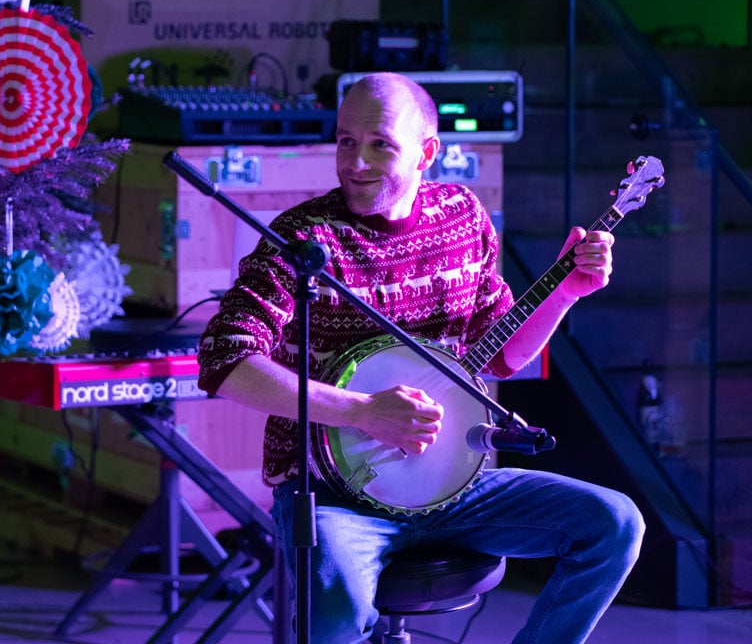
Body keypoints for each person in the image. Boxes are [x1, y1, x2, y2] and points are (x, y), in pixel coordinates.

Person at [196, 72, 644, 644]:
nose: (356, 161)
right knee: (333, 613)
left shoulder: (462, 216)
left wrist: (566, 291)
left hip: (453, 484)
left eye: (380, 143)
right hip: (332, 496)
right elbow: (223, 360)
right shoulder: (303, 240)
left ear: (426, 151)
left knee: (614, 524)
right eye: (345, 141)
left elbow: (503, 355)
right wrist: (360, 411)